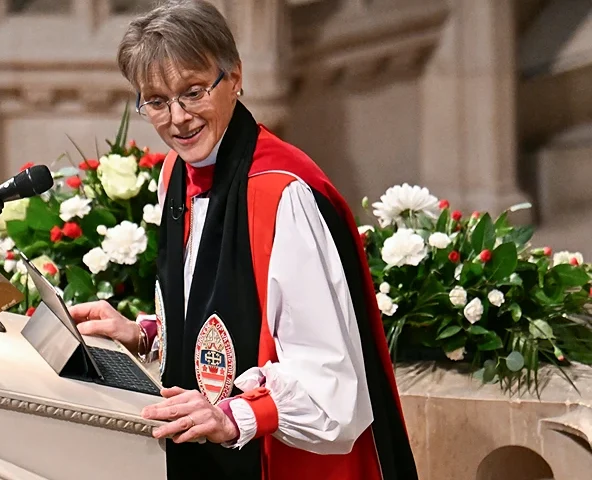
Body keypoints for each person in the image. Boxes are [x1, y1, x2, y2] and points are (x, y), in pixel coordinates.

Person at [68, 1, 418, 479]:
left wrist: (235, 415)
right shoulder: (176, 173)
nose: (177, 118)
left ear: (234, 77)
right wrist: (148, 334)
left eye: (193, 92)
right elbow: (221, 316)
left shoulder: (282, 194)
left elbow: (332, 388)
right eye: (156, 100)